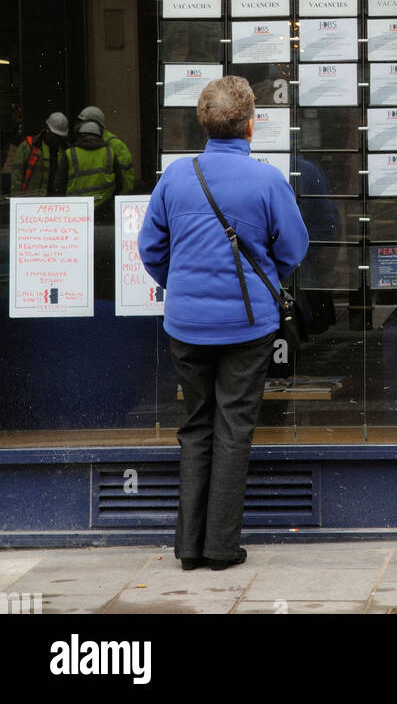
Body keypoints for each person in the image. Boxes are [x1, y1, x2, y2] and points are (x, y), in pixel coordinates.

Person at [137, 76, 308, 571]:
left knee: (196, 427)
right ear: (252, 124)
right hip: (247, 325)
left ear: (203, 122)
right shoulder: (267, 179)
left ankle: (188, 548)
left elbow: (151, 250)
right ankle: (221, 547)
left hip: (186, 324)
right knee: (234, 428)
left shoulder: (175, 176)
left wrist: (184, 286)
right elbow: (294, 249)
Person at [55, 120, 121, 222]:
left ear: (81, 135)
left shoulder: (69, 154)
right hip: (104, 210)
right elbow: (119, 184)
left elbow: (59, 185)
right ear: (99, 135)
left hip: (75, 210)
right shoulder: (110, 153)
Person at [76, 106, 135, 193]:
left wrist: (120, 198)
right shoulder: (91, 141)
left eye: (82, 122)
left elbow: (125, 177)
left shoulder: (115, 144)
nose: (78, 125)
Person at [10, 112, 68, 196]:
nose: (56, 139)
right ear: (47, 129)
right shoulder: (28, 146)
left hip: (57, 201)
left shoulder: (65, 150)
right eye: (54, 135)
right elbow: (16, 176)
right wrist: (17, 200)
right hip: (32, 200)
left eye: (59, 136)